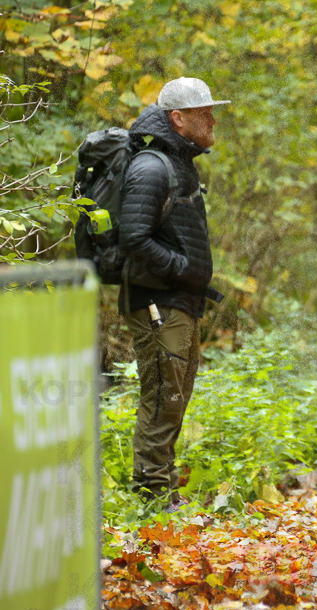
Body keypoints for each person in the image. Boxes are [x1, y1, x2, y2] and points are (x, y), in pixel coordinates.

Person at [119, 77, 229, 509]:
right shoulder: (152, 167)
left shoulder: (179, 163)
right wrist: (182, 269)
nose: (213, 120)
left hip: (177, 301)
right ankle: (153, 498)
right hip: (156, 302)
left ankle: (162, 491)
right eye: (205, 113)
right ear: (179, 119)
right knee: (163, 398)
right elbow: (134, 237)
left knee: (174, 397)